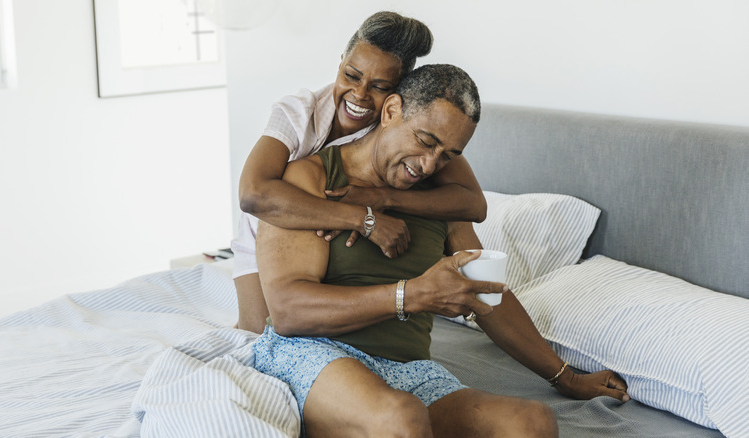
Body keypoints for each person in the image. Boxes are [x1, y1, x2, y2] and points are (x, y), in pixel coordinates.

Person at [253, 64, 630, 437]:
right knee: (400, 417)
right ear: (391, 111)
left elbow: (487, 295)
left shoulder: (440, 199)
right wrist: (411, 295)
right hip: (312, 352)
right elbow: (289, 312)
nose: (429, 165)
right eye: (426, 141)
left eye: (449, 155)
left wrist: (565, 378)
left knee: (531, 423)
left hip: (409, 369)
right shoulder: (313, 178)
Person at [233, 11, 487, 334]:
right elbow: (253, 194)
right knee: (256, 339)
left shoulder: (410, 141)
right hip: (264, 231)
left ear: (396, 99)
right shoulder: (297, 113)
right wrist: (362, 219)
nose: (360, 94)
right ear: (340, 64)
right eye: (352, 76)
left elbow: (474, 206)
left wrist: (385, 197)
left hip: (317, 250)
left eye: (379, 86)